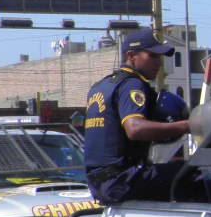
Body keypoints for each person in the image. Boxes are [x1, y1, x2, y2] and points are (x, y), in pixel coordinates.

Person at [82, 29, 196, 205]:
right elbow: (135, 129)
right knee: (200, 175)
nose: (159, 63)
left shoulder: (101, 85)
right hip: (123, 180)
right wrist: (188, 125)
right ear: (131, 55)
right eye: (152, 56)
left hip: (100, 183)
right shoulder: (133, 83)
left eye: (160, 57)